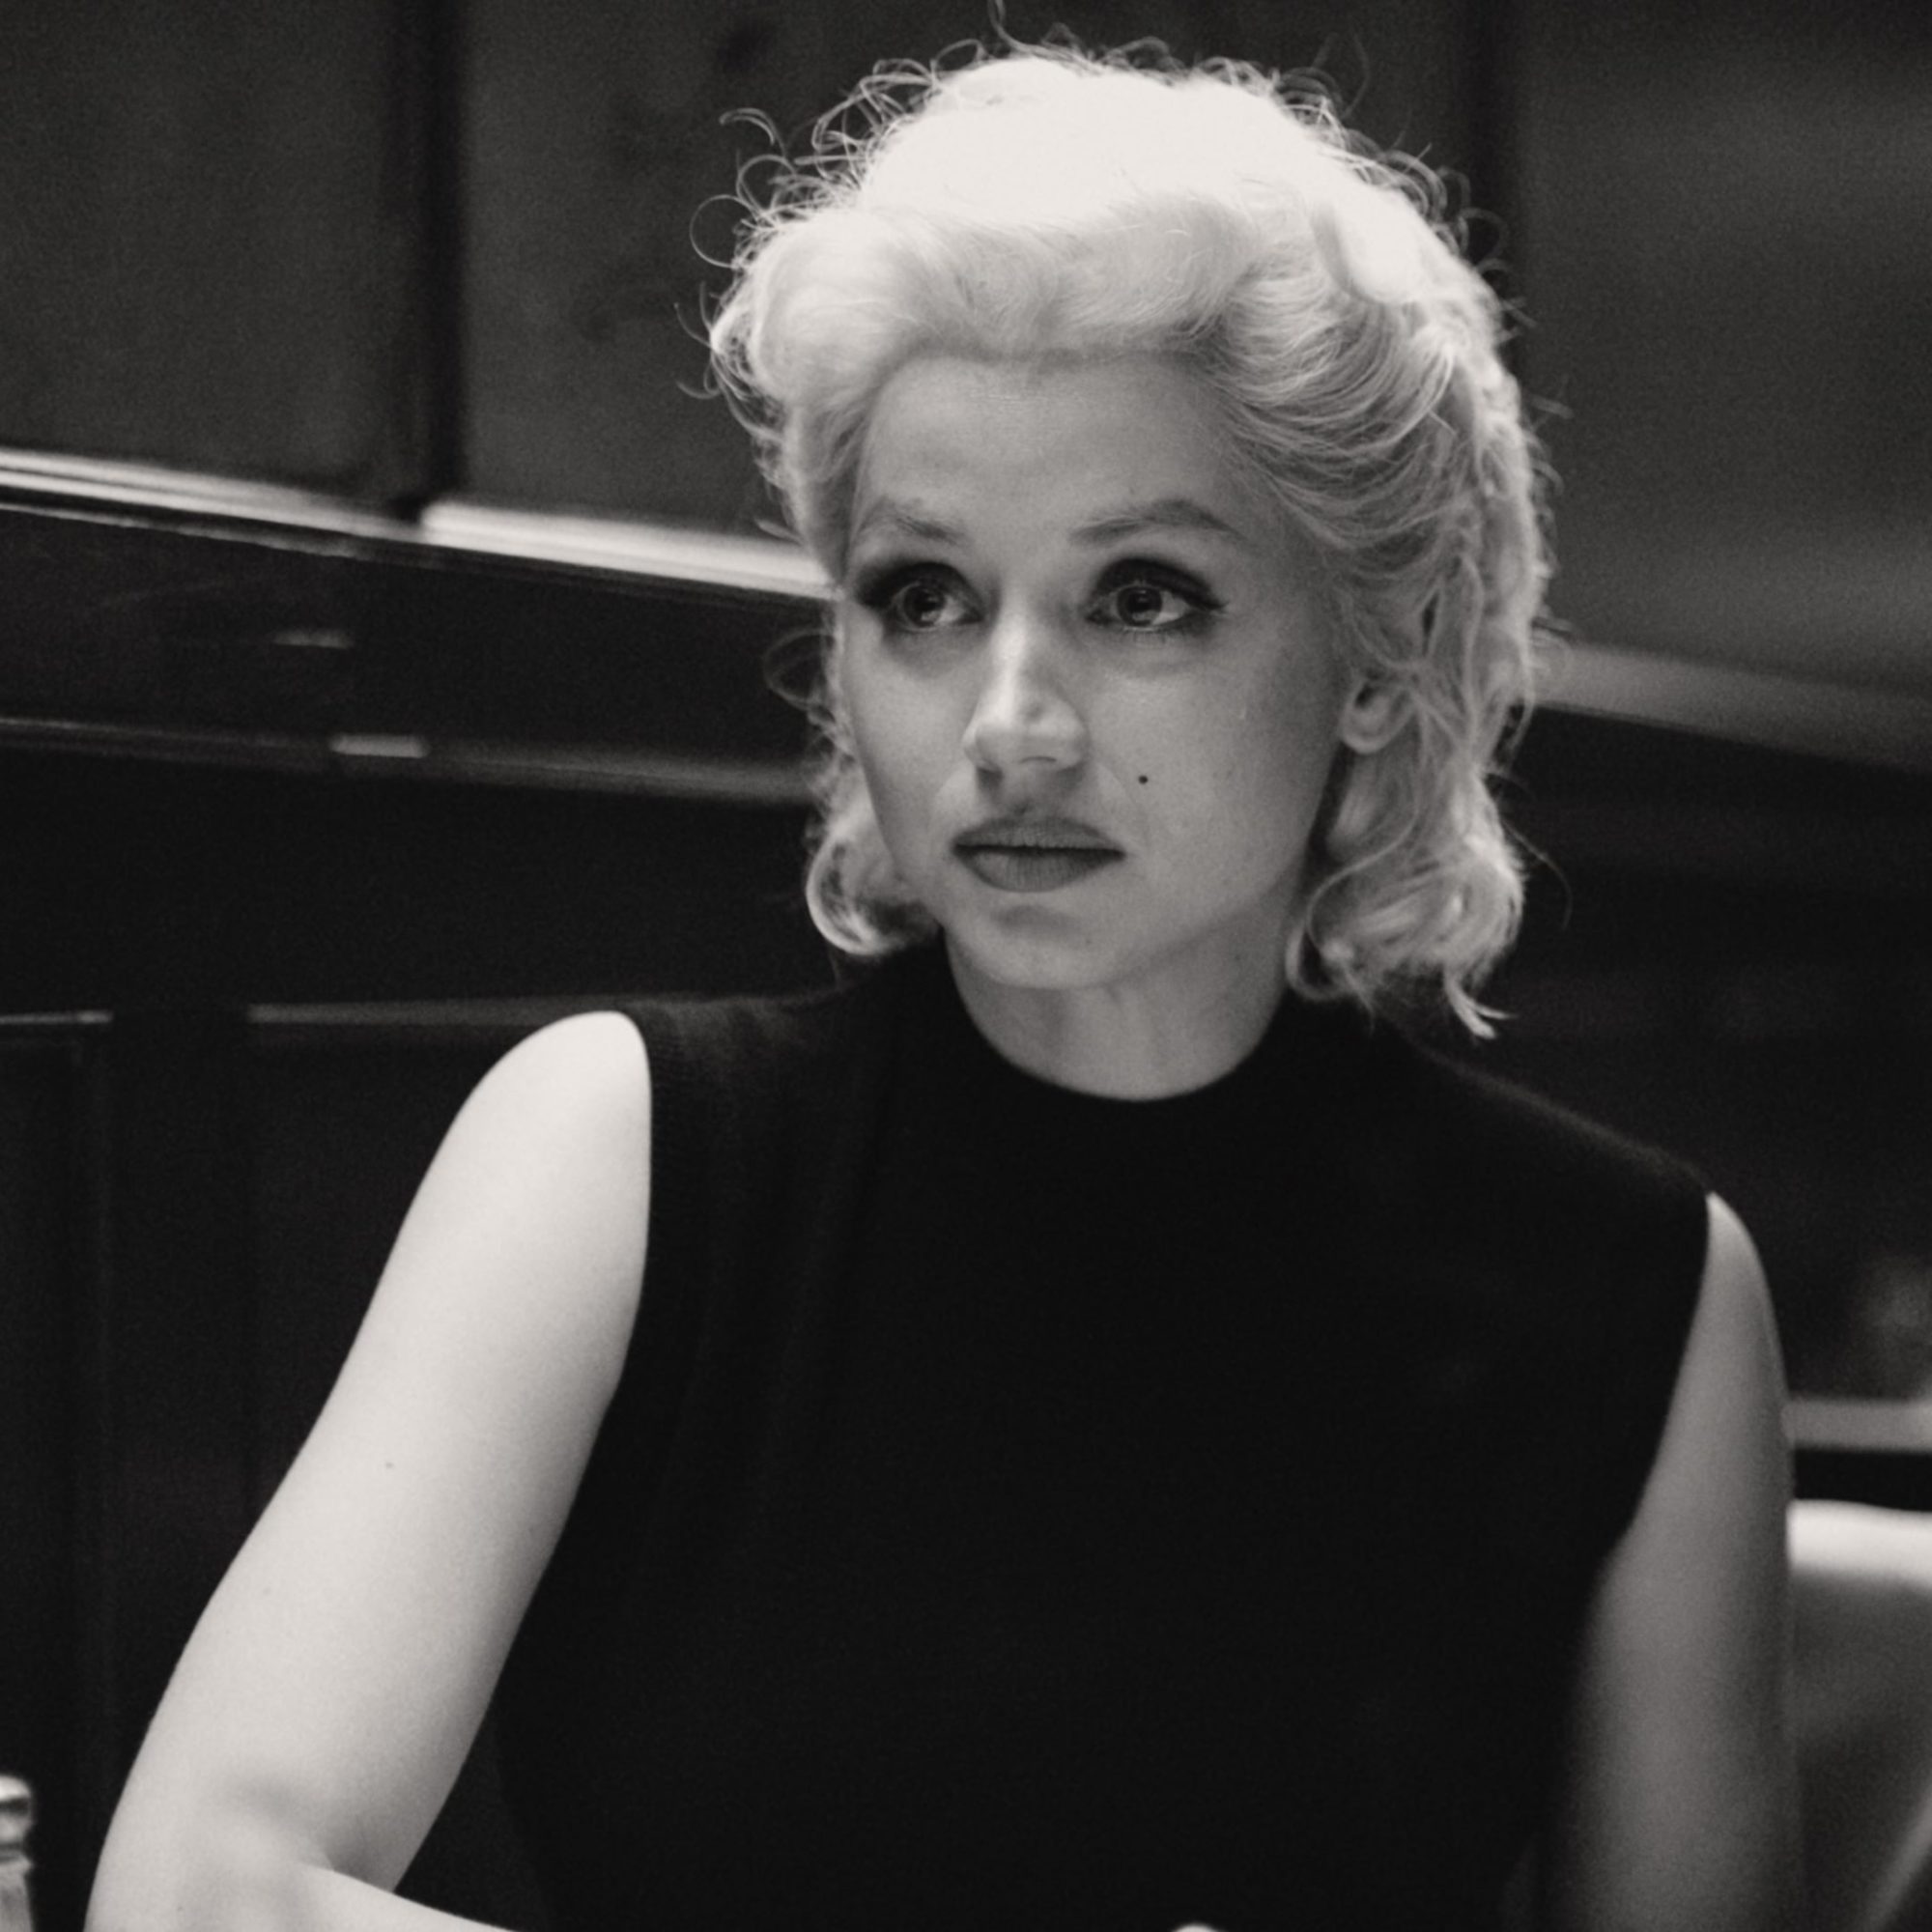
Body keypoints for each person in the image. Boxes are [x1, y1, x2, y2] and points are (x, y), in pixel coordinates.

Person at [86, 37, 1799, 1932]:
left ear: (1382, 660)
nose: (1010, 724)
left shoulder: (1637, 1293)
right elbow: (196, 1891)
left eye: (1140, 596)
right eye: (926, 596)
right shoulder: (617, 1154)